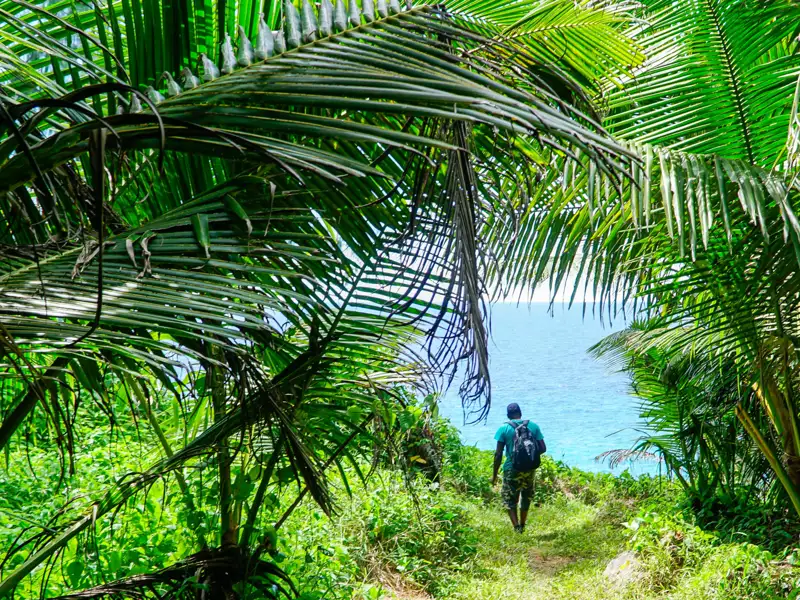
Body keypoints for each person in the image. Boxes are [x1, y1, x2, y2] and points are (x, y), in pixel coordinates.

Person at [491, 403, 546, 533]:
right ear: (520, 413)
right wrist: (528, 457)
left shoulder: (503, 428)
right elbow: (543, 448)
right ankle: (523, 524)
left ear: (508, 415)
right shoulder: (533, 426)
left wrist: (494, 475)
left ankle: (516, 528)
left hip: (511, 468)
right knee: (526, 496)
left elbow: (498, 454)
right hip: (529, 469)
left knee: (509, 498)